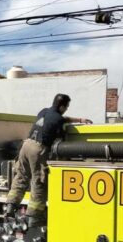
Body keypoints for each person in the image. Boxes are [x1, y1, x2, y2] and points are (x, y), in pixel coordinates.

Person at [6, 94, 87, 226]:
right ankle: (34, 216)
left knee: (21, 176)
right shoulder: (59, 120)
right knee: (38, 181)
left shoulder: (43, 111)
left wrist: (79, 119)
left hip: (25, 146)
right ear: (62, 106)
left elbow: (60, 117)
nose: (66, 109)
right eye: (66, 107)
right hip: (38, 149)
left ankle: (11, 204)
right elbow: (60, 132)